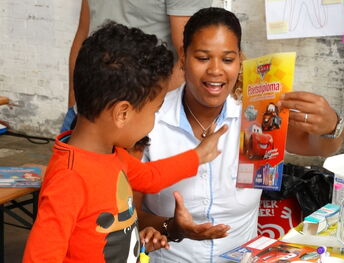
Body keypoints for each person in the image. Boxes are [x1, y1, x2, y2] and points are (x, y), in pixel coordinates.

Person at [136, 7, 344, 263]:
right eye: (202, 58)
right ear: (183, 57)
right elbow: (129, 213)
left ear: (239, 60)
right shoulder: (150, 119)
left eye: (227, 59)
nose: (215, 70)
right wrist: (172, 227)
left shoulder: (255, 113)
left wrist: (331, 126)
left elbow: (319, 147)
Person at [22, 21, 228, 263]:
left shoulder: (112, 155)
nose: (154, 120)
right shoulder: (69, 179)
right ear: (123, 114)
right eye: (154, 111)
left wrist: (198, 155)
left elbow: (150, 177)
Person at [61, 0, 212, 132]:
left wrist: (137, 121)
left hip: (137, 125)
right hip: (84, 115)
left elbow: (190, 59)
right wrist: (74, 105)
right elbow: (84, 31)